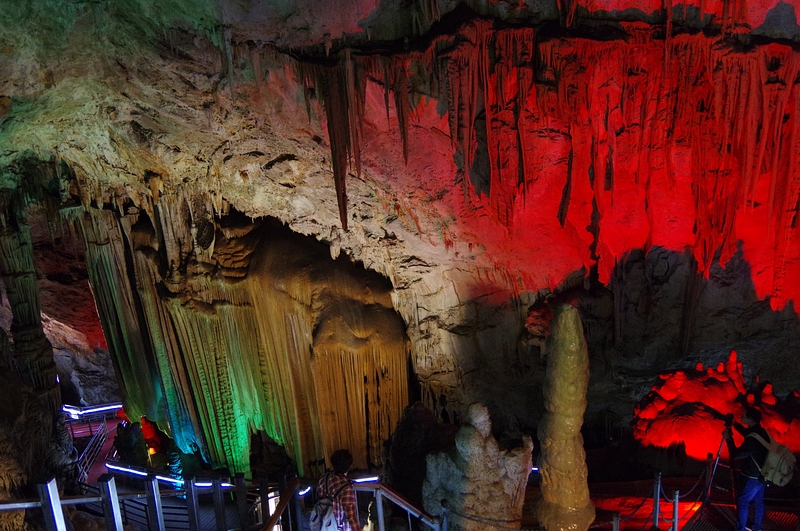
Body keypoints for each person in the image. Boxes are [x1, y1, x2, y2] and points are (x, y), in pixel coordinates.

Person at [722, 407, 770, 531]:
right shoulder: (762, 432)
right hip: (762, 474)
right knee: (758, 502)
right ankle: (757, 527)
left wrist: (728, 439)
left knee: (743, 501)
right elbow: (748, 433)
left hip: (752, 477)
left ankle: (740, 529)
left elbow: (736, 454)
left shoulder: (753, 439)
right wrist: (735, 424)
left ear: (750, 419)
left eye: (743, 416)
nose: (741, 417)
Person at [316, 449, 363, 531]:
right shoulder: (346, 488)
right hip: (339, 527)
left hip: (322, 524)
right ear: (349, 466)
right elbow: (351, 516)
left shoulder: (324, 478)